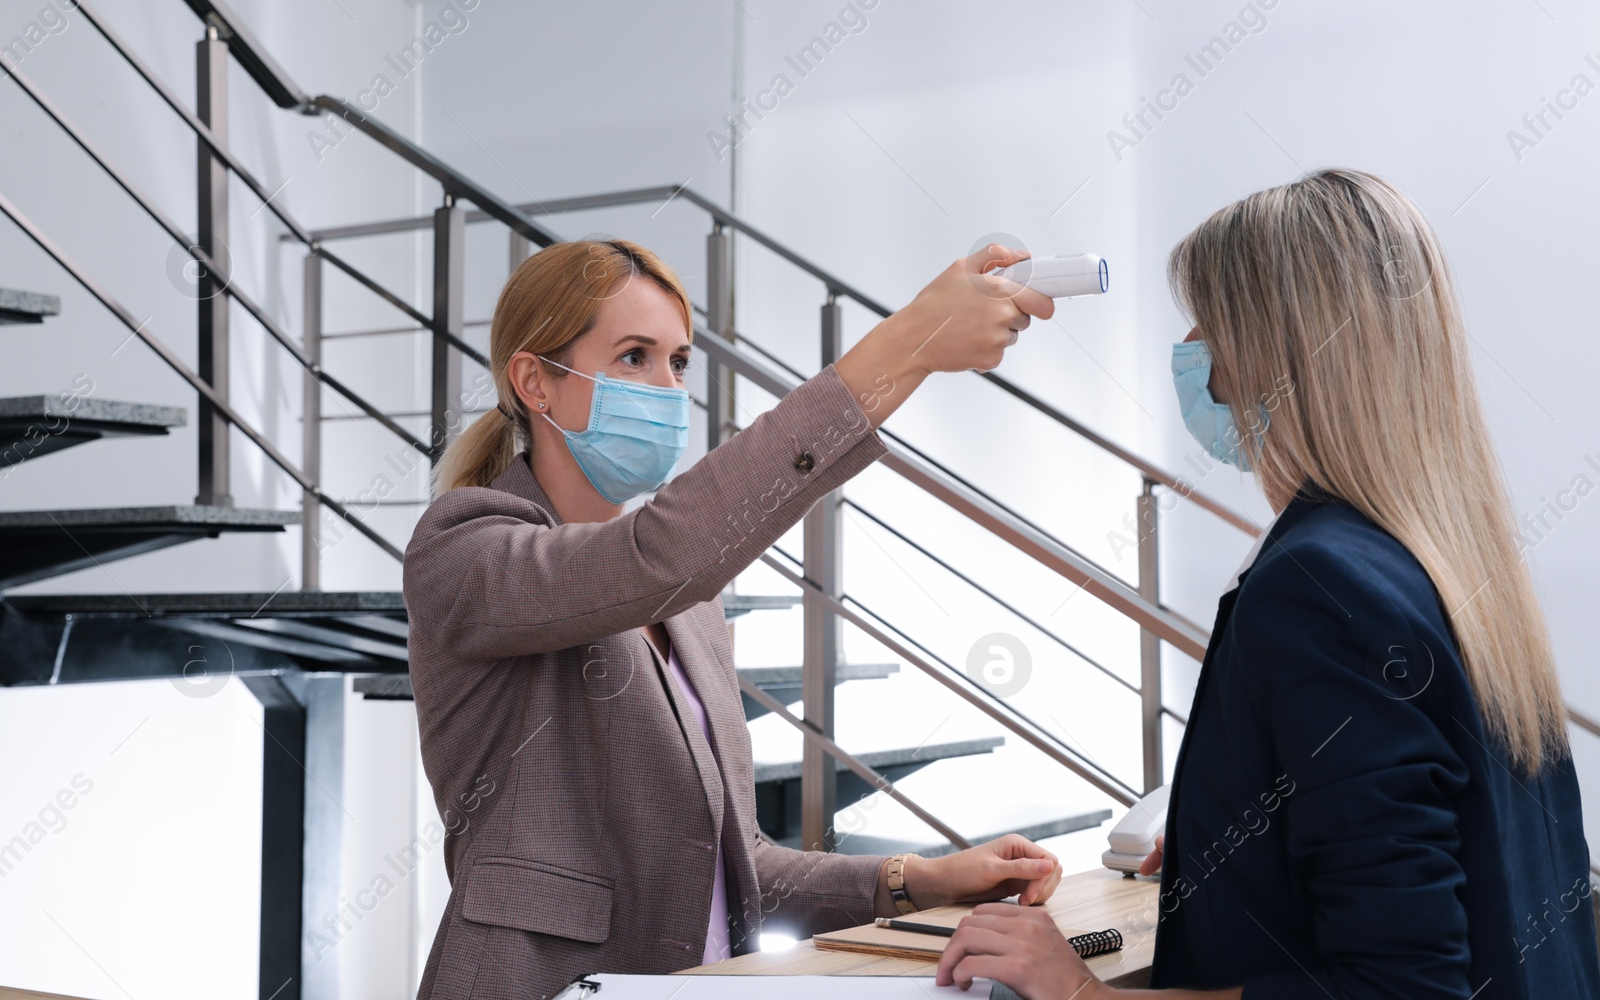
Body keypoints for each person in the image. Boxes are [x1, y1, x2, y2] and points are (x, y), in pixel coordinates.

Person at [935, 169, 1599, 999]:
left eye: (1210, 326)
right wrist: (1244, 842)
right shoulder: (1451, 560)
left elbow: (1402, 990)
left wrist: (1083, 994)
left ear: (1274, 356)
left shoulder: (1319, 585)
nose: (1192, 351)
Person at [403, 238, 1067, 999]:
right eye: (632, 357)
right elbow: (662, 554)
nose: (665, 385)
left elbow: (734, 867)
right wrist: (906, 342)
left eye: (678, 361)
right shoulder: (463, 551)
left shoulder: (690, 608)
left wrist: (919, 877)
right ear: (535, 383)